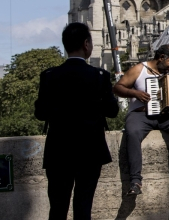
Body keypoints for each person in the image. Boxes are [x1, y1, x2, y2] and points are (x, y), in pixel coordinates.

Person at [34, 22, 119, 220]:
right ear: (86, 44)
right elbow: (112, 111)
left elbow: (40, 113)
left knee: (57, 207)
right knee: (83, 206)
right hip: (90, 150)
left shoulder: (49, 76)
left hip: (58, 150)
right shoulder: (100, 76)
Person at [113, 44, 169, 195]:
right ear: (161, 58)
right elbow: (117, 87)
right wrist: (135, 94)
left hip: (164, 116)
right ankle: (135, 181)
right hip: (140, 114)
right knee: (132, 132)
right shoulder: (140, 69)